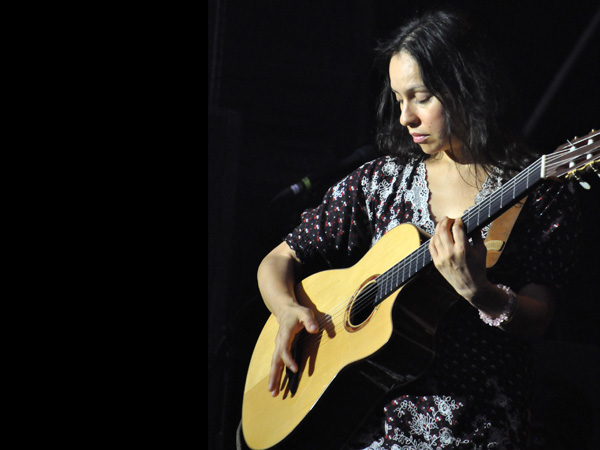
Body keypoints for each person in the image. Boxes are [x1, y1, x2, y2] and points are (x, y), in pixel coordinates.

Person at [256, 10, 579, 449]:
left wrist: (480, 292)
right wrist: (286, 311)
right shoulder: (381, 182)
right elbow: (278, 259)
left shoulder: (537, 191)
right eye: (398, 98)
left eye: (421, 97)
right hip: (370, 431)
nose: (404, 116)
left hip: (475, 431)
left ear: (466, 89)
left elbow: (540, 316)